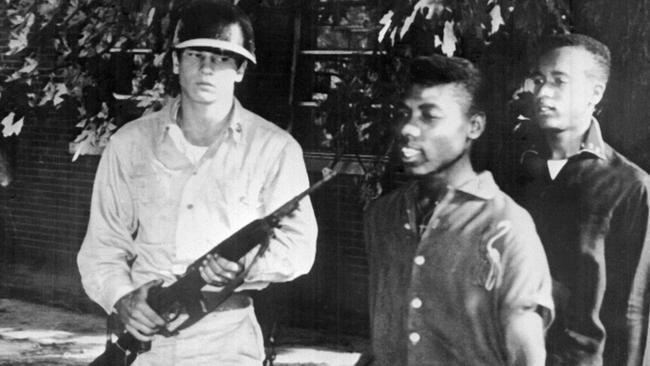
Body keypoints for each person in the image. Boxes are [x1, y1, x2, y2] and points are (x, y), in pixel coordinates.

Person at [76, 1, 317, 365]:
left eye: (222, 58)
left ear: (240, 70)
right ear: (176, 62)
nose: (207, 68)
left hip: (227, 342)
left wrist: (247, 264)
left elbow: (299, 249)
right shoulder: (130, 143)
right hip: (145, 343)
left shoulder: (274, 149)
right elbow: (102, 247)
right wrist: (123, 299)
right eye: (196, 55)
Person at [363, 54, 554, 366]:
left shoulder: (506, 225)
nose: (407, 129)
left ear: (474, 126)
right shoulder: (383, 216)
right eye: (404, 113)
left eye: (429, 116)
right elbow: (381, 329)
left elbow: (526, 352)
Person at [498, 33, 650, 365]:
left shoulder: (629, 185)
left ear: (595, 93)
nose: (543, 93)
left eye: (559, 82)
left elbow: (632, 309)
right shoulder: (509, 168)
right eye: (539, 80)